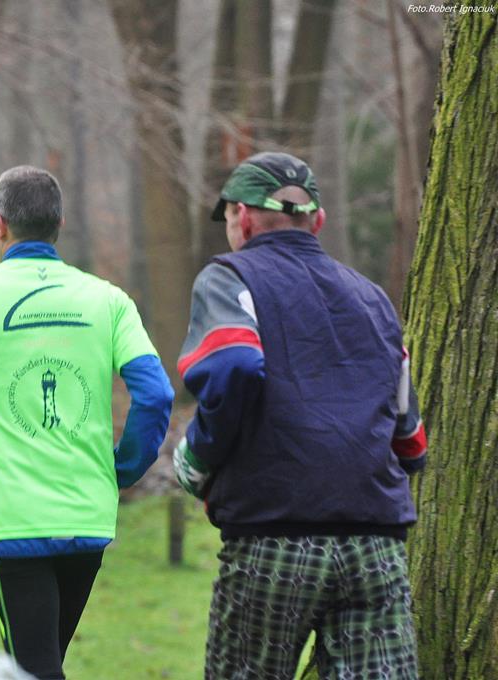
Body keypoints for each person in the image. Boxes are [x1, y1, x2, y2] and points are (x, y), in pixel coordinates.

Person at [174, 152, 428, 679]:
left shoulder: (229, 279)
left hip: (274, 537)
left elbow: (233, 364)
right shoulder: (373, 298)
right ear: (318, 220)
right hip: (374, 545)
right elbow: (411, 440)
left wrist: (196, 460)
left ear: (242, 216)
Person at [0, 165, 175, 679]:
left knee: (34, 667)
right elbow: (156, 394)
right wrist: (123, 468)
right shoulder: (109, 299)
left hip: (11, 514)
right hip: (88, 511)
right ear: (59, 224)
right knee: (42, 662)